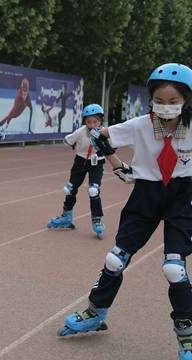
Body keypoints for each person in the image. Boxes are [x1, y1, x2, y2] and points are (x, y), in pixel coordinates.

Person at [57, 63, 192, 360]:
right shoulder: (141, 124)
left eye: (173, 102)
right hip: (145, 196)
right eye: (159, 101)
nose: (165, 107)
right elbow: (99, 136)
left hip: (182, 198)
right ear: (151, 100)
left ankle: (186, 332)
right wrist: (120, 168)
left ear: (187, 101)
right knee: (115, 259)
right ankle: (96, 312)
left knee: (174, 268)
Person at [47, 104, 106, 239]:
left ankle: (97, 218)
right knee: (70, 189)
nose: (92, 125)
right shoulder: (80, 132)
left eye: (95, 121)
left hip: (97, 163)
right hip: (80, 161)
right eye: (89, 122)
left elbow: (114, 145)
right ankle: (66, 215)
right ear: (85, 121)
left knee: (93, 190)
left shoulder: (104, 132)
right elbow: (67, 140)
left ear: (100, 121)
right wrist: (75, 146)